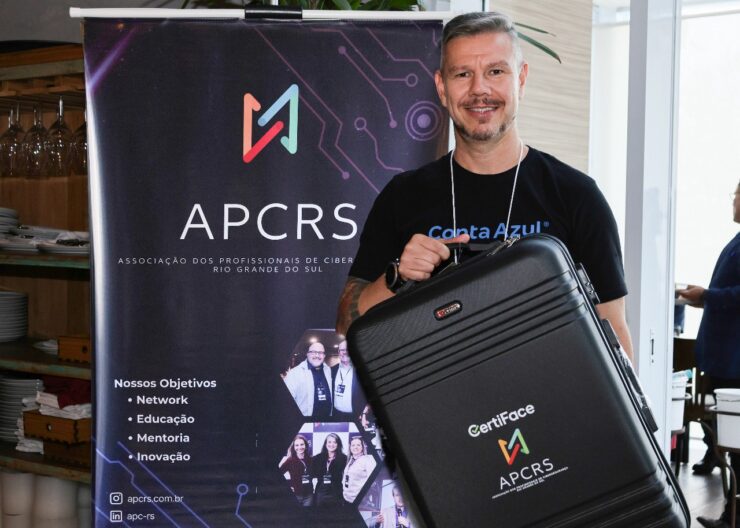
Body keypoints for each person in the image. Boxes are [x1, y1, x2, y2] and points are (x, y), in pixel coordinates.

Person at [335, 11, 633, 360]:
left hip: (551, 393)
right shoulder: (402, 197)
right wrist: (397, 277)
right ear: (441, 88)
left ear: (521, 79)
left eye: (495, 71)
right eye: (463, 74)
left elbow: (614, 333)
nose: (479, 89)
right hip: (436, 394)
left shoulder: (577, 196)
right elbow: (344, 325)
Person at [681, 181, 740, 528]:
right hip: (721, 358)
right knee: (724, 439)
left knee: (734, 443)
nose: (733, 202)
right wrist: (703, 297)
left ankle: (734, 516)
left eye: (736, 195)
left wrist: (706, 296)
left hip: (733, 363)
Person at [283, 342, 333, 418]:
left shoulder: (328, 370)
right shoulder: (294, 374)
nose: (317, 355)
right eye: (313, 352)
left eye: (320, 353)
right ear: (307, 354)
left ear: (324, 355)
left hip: (327, 419)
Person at [332, 340, 366, 420]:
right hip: (336, 415)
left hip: (357, 416)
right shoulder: (332, 370)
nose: (345, 352)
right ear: (338, 352)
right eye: (342, 350)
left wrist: (364, 413)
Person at [311, 433, 348, 507]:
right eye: (329, 442)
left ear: (338, 444)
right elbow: (311, 473)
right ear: (325, 444)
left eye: (334, 442)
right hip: (321, 492)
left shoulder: (344, 458)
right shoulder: (317, 458)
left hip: (336, 492)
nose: (332, 444)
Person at [278, 435, 314, 506]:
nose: (299, 447)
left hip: (309, 495)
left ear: (306, 445)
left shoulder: (311, 460)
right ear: (294, 447)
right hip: (295, 495)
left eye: (302, 444)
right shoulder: (290, 460)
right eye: (297, 445)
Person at [343, 436, 377, 504]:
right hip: (346, 498)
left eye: (358, 445)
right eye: (353, 445)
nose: (355, 447)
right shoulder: (351, 459)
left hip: (359, 501)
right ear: (350, 447)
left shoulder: (368, 459)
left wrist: (362, 495)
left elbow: (373, 481)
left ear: (362, 447)